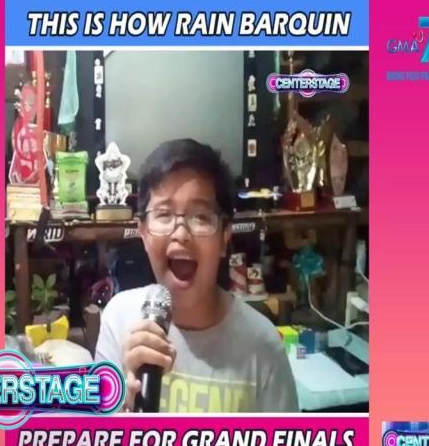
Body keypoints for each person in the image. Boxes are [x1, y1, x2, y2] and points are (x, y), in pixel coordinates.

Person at [95, 139, 298, 412]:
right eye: (164, 214)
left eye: (200, 217)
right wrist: (122, 409)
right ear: (142, 233)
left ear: (225, 237)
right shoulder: (119, 319)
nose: (181, 234)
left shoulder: (263, 345)